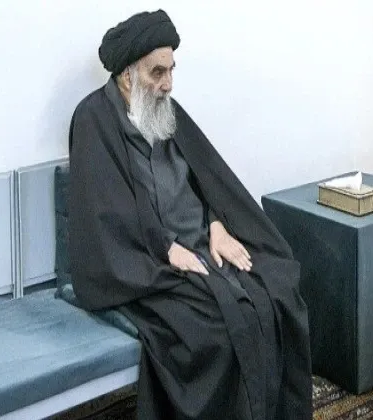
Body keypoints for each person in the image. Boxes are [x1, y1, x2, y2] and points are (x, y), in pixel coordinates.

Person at [67, 9, 313, 420]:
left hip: (202, 243)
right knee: (216, 330)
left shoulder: (164, 108)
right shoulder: (93, 119)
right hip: (147, 263)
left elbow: (207, 177)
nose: (168, 84)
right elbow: (103, 215)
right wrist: (166, 249)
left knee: (276, 287)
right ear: (127, 75)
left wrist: (217, 224)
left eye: (171, 71)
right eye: (157, 73)